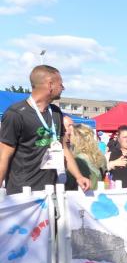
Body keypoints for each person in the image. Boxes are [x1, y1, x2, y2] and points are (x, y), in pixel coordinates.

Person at [0, 65, 91, 194]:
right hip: (23, 192)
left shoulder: (56, 112)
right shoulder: (16, 114)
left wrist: (79, 176)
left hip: (51, 189)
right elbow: (4, 155)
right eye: (60, 84)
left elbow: (63, 148)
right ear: (50, 85)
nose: (63, 88)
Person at [66, 124, 105, 190]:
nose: (68, 138)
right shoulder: (100, 156)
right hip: (97, 194)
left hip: (81, 194)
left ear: (77, 138)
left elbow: (68, 184)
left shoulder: (76, 160)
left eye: (70, 135)